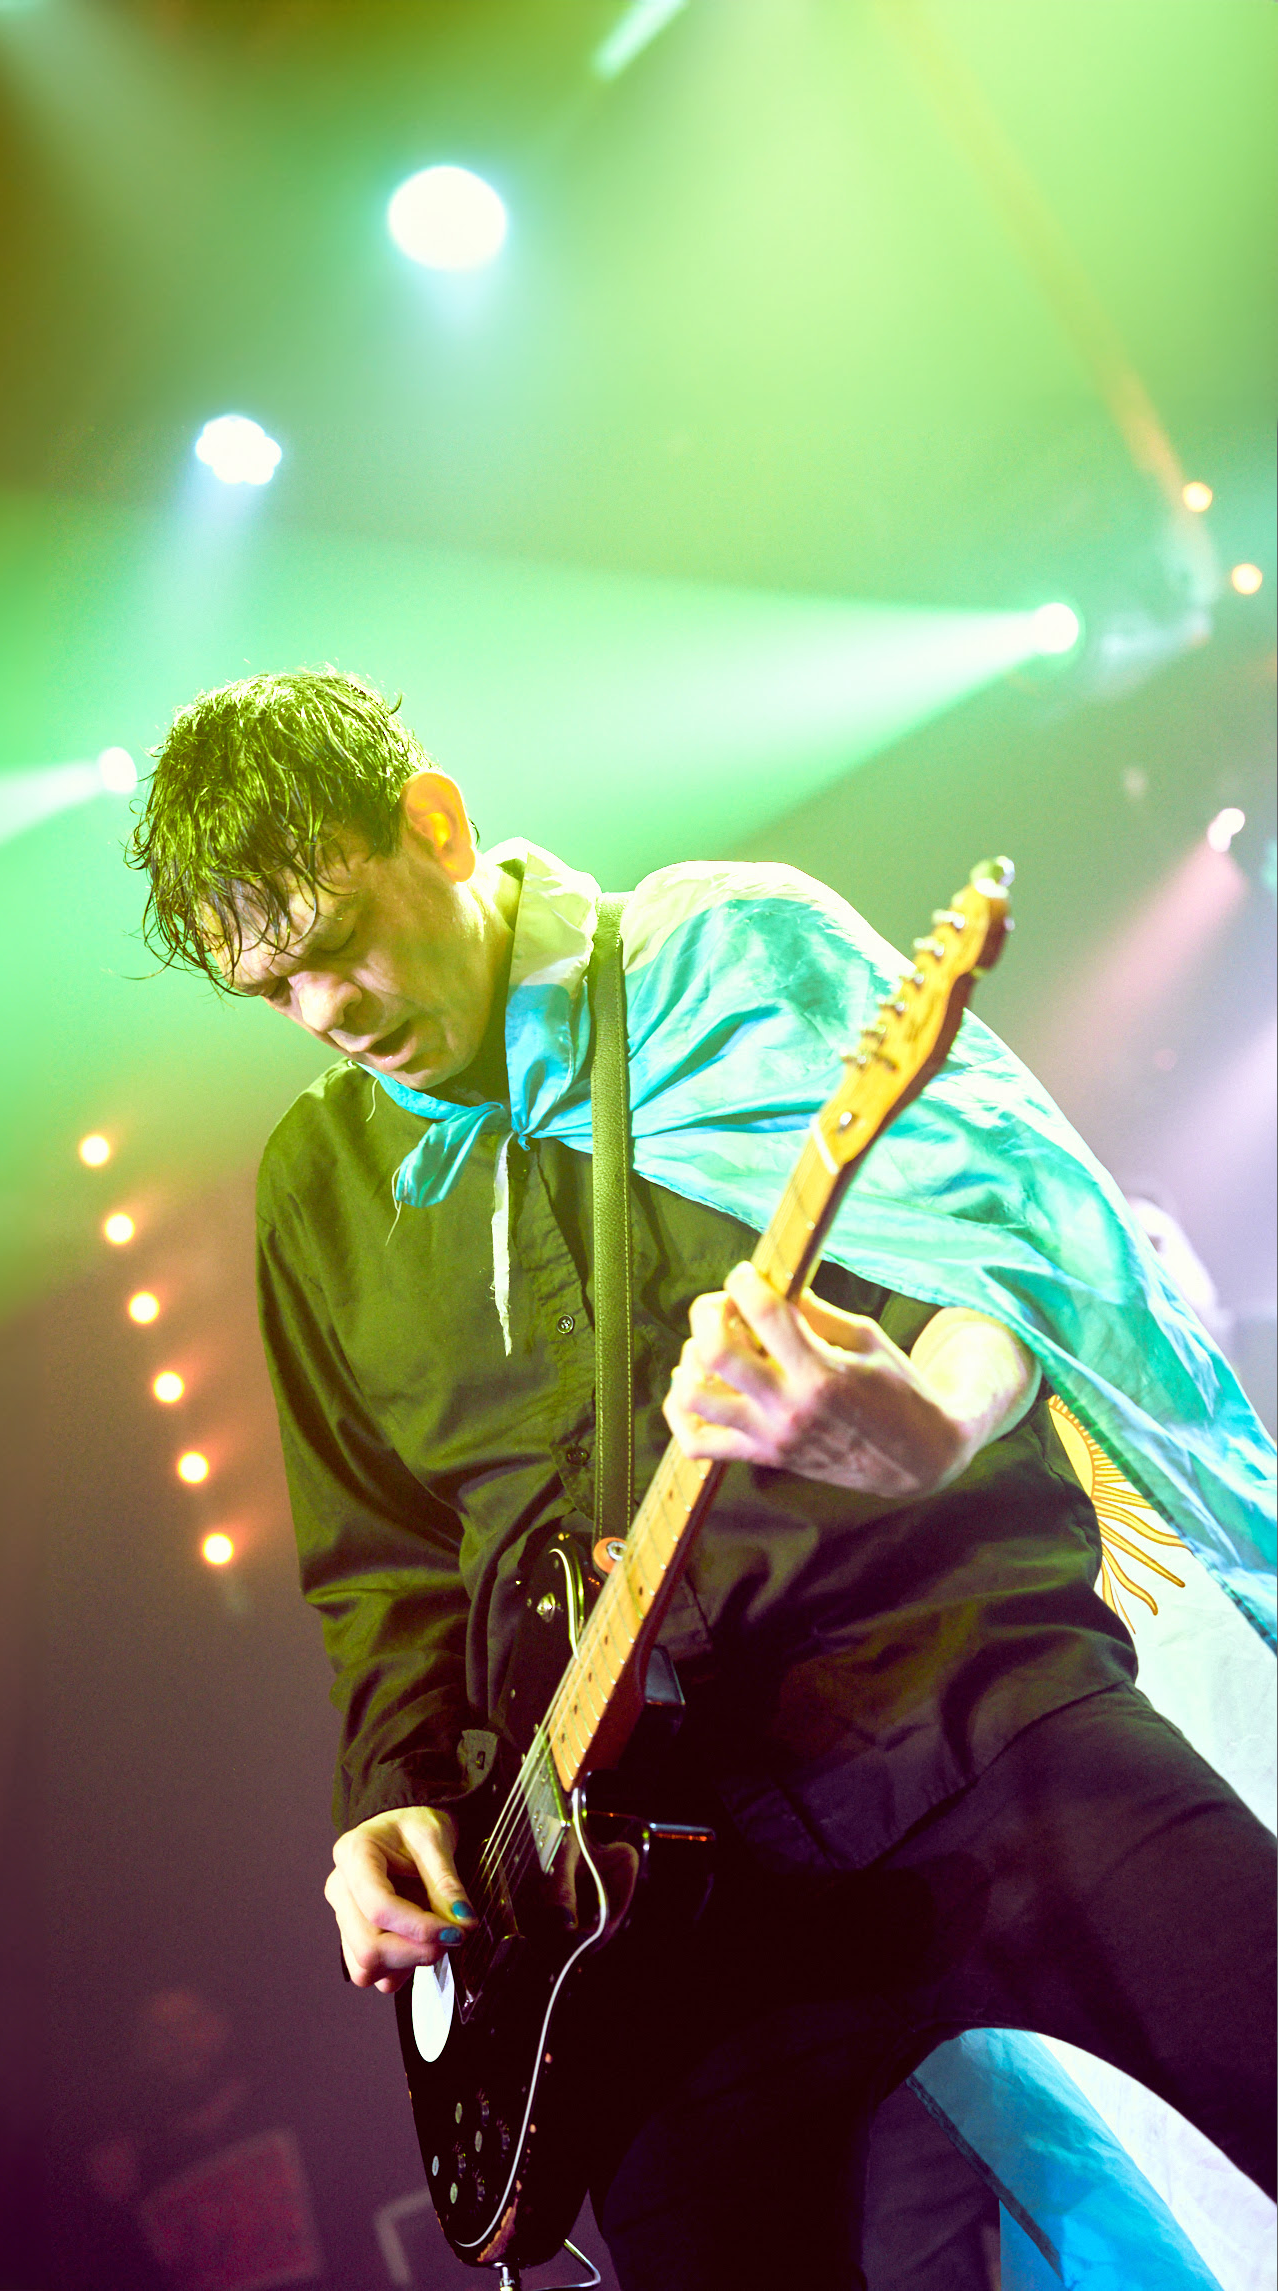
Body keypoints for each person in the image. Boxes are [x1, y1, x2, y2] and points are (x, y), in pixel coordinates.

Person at [124, 666, 1276, 2289]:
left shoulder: (724, 957)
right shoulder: (317, 1187)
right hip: (653, 1914)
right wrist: (386, 1799)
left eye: (337, 942)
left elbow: (1005, 1243)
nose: (325, 1013)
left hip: (961, 1715)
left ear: (435, 825)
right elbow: (379, 1567)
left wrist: (929, 1427)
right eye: (273, 989)